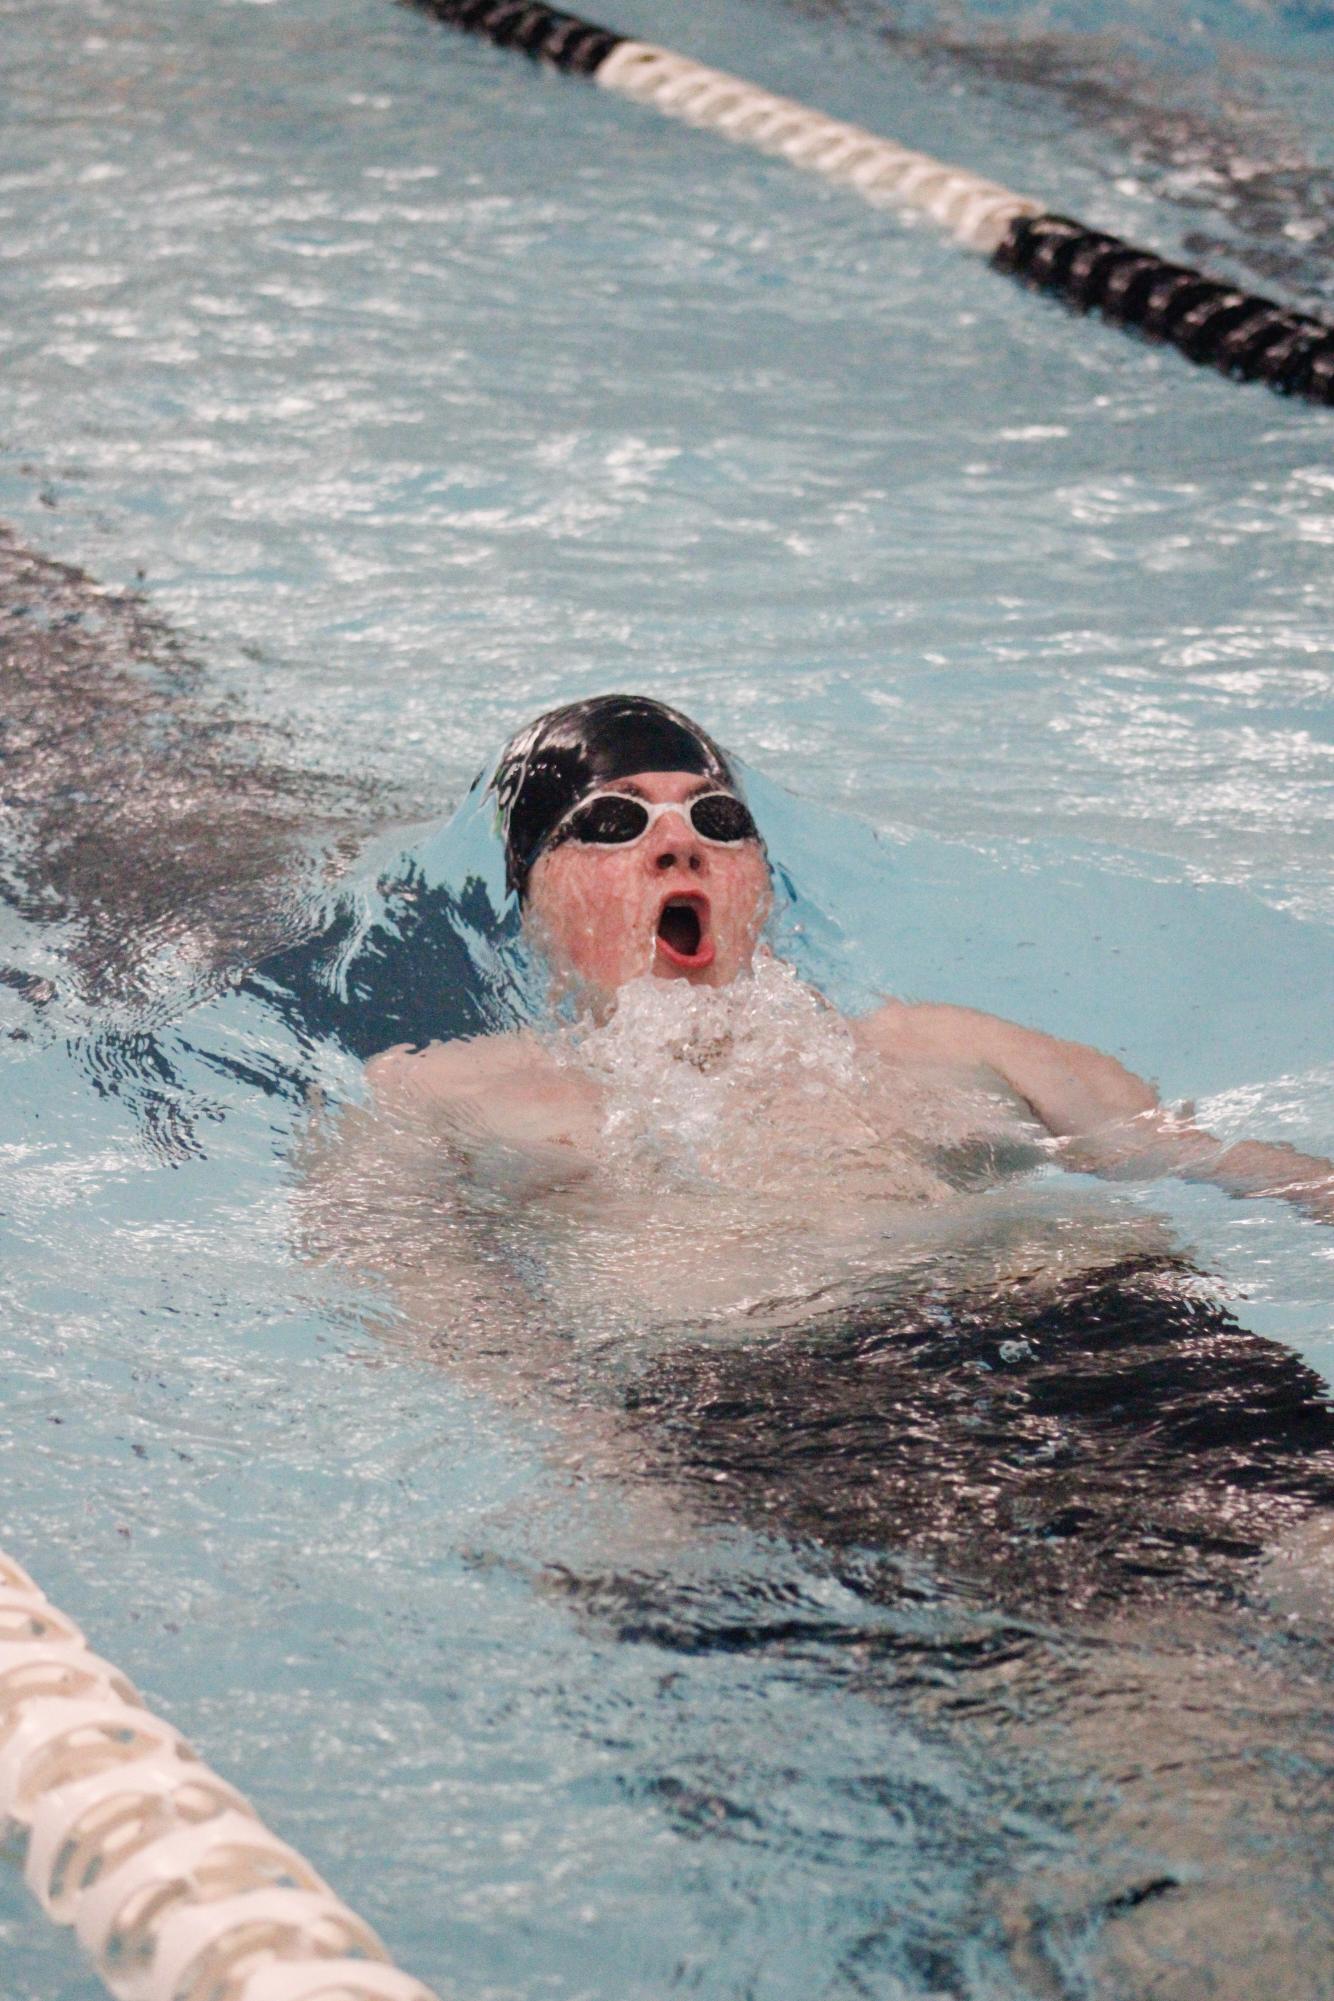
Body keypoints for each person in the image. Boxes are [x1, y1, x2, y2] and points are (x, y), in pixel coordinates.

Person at [366, 692, 1334, 1229]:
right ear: (530, 900)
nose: (677, 848)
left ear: (761, 885)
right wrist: (598, 1463)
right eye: (612, 824)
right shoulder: (440, 1097)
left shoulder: (948, 1045)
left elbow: (1224, 1165)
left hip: (1090, 1340)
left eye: (718, 820)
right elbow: (435, 1315)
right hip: (761, 1410)